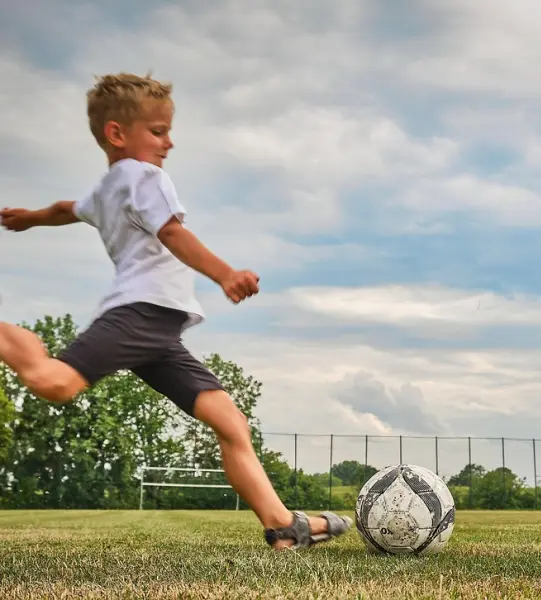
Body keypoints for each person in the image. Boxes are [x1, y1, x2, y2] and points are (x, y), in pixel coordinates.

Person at [0, 72, 351, 550]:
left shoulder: (108, 186)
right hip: (140, 313)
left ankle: (283, 527)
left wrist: (32, 218)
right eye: (158, 131)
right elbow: (171, 232)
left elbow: (69, 207)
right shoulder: (144, 176)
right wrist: (225, 274)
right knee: (54, 382)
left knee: (230, 421)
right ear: (117, 134)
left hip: (159, 331)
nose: (169, 142)